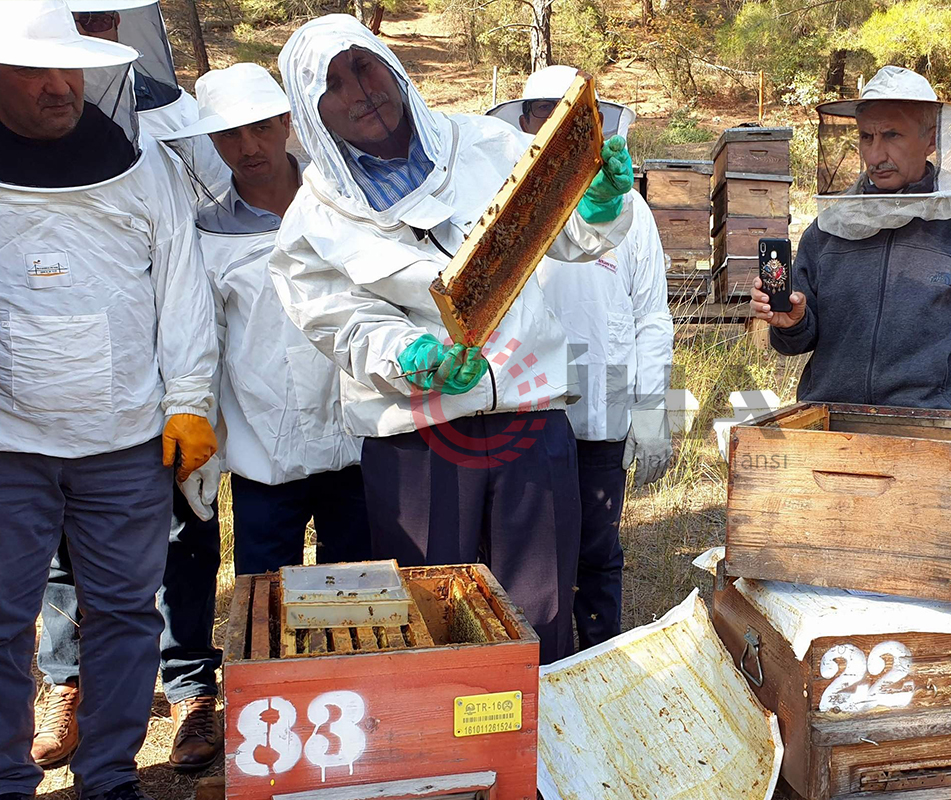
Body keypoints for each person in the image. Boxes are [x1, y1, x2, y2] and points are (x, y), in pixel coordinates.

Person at [268, 14, 636, 664]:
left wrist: (600, 203)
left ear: (393, 67)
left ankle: (537, 755)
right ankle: (454, 760)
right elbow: (336, 320)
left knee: (541, 613)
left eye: (366, 67)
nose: (362, 91)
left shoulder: (486, 144)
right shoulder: (314, 220)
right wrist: (407, 356)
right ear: (312, 109)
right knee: (434, 615)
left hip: (531, 417)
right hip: (418, 438)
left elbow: (567, 235)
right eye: (335, 83)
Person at [0, 2, 218, 800]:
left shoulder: (143, 164)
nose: (62, 86)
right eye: (37, 71)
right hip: (9, 444)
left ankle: (110, 776)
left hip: (126, 437)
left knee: (126, 616)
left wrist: (189, 402)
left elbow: (183, 288)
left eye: (72, 69)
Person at [488, 65, 674, 649]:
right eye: (544, 119)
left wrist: (649, 413)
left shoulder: (630, 212)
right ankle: (532, 671)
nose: (555, 132)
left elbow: (650, 317)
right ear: (524, 123)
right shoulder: (504, 206)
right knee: (524, 559)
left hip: (602, 409)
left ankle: (597, 660)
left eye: (570, 121)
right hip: (522, 413)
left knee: (597, 551)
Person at [165, 63, 371, 575]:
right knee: (264, 604)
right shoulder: (207, 236)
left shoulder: (346, 206)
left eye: (259, 127)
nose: (248, 147)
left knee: (356, 597)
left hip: (362, 448)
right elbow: (203, 340)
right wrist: (203, 433)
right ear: (211, 140)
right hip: (265, 460)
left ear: (285, 122)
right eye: (230, 134)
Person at [751, 66, 951, 412]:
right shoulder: (828, 229)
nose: (875, 155)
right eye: (866, 137)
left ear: (931, 139)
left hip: (930, 428)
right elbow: (797, 340)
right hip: (831, 423)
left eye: (892, 135)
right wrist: (791, 322)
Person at [68, 0, 227, 194]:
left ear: (116, 21)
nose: (83, 35)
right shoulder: (35, 110)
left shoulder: (175, 106)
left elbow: (215, 185)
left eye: (95, 21)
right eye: (67, 24)